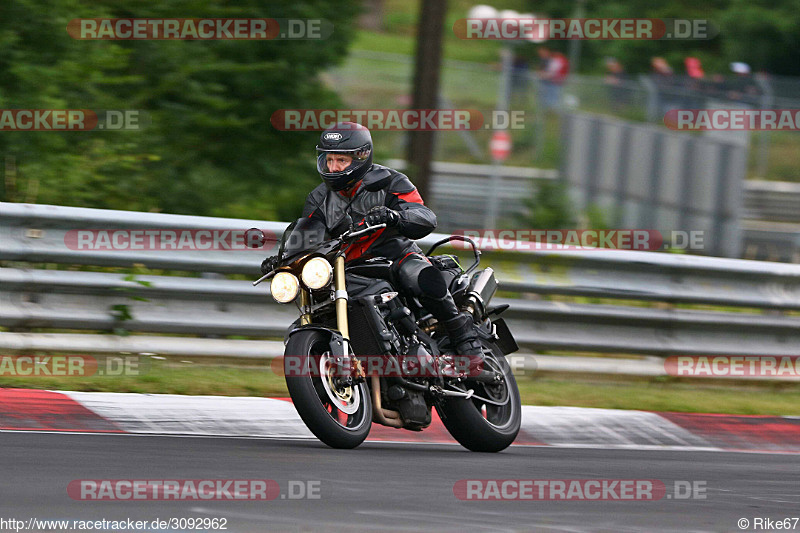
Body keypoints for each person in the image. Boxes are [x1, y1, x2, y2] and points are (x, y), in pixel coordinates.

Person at [260, 122, 484, 361]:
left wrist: (395, 216)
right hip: (347, 268)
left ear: (360, 157)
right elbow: (308, 234)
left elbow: (425, 216)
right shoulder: (318, 198)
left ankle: (465, 337)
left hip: (393, 256)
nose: (333, 168)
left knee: (419, 276)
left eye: (341, 161)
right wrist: (285, 260)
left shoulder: (390, 181)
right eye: (329, 160)